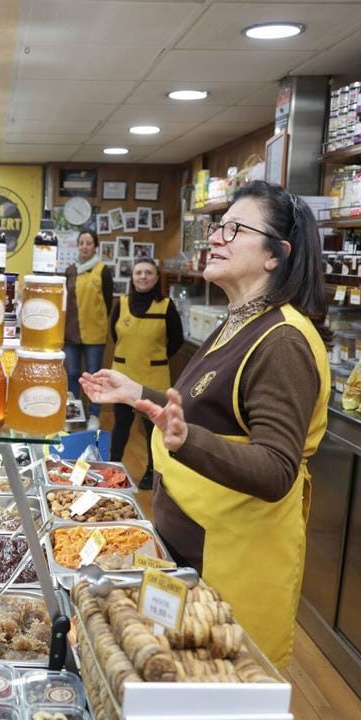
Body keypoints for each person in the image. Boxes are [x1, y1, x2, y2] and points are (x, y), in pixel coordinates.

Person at [81, 181, 330, 668]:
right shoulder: (240, 320)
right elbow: (197, 407)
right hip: (188, 542)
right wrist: (139, 394)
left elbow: (276, 469)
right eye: (218, 226)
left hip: (232, 561)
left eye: (235, 228)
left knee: (218, 682)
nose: (215, 237)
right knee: (175, 674)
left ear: (276, 254)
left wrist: (187, 440)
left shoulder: (283, 341)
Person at [108, 258, 183, 489]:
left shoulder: (167, 306)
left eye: (148, 273)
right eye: (138, 272)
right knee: (121, 423)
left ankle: (152, 471)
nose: (143, 276)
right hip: (122, 374)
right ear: (132, 277)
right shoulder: (120, 303)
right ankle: (112, 467)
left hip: (154, 376)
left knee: (153, 428)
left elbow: (177, 340)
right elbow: (114, 334)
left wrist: (155, 357)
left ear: (156, 277)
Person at [64, 229, 112, 430]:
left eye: (89, 243)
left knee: (93, 376)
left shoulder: (103, 270)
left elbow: (108, 302)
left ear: (95, 246)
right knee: (72, 374)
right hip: (71, 332)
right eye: (82, 243)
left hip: (95, 334)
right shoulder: (70, 270)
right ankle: (74, 415)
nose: (85, 246)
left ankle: (93, 415)